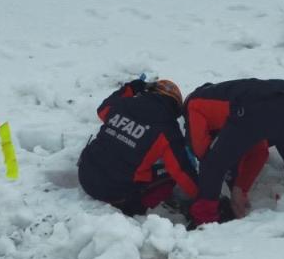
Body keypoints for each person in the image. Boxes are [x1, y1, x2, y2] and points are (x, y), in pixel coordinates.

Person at [183, 79, 284, 226]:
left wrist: (209, 183)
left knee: (212, 165)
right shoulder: (229, 92)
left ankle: (204, 220)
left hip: (252, 108)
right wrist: (239, 189)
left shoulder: (193, 104)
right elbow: (259, 152)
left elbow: (201, 150)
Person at [78, 79, 200, 216]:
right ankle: (137, 208)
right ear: (174, 107)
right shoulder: (168, 130)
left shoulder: (121, 104)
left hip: (85, 175)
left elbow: (102, 109)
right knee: (168, 177)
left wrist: (130, 88)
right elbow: (181, 171)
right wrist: (203, 195)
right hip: (115, 193)